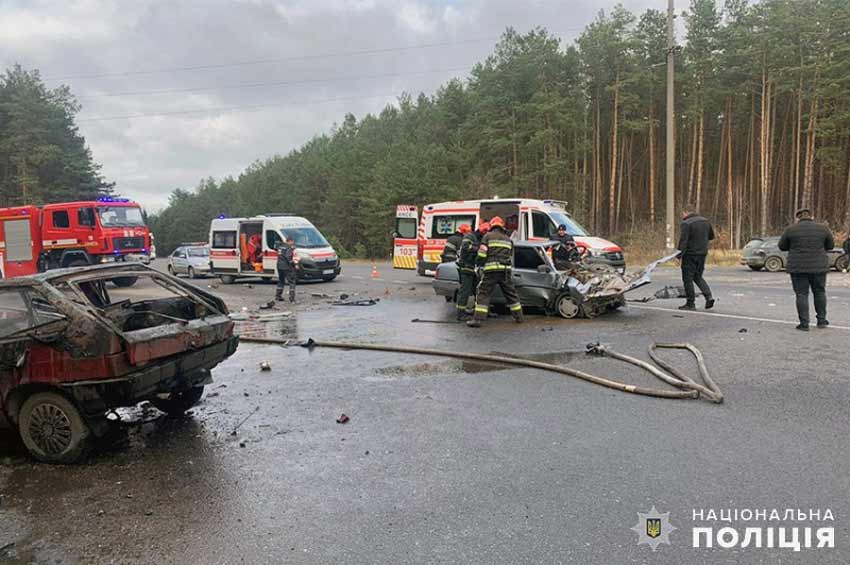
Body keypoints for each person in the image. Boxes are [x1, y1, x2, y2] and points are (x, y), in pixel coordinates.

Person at [778, 208, 835, 331]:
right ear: (812, 216)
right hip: (819, 267)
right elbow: (830, 246)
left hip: (798, 267)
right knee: (819, 292)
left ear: (798, 218)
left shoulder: (791, 229)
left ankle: (804, 324)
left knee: (801, 294)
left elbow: (782, 246)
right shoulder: (823, 229)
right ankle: (821, 321)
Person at [467, 216, 523, 327]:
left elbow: (482, 254)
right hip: (505, 271)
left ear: (492, 226)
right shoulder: (508, 239)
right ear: (502, 226)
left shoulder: (487, 236)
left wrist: (479, 262)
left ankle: (478, 320)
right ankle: (519, 317)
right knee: (511, 294)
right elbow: (510, 256)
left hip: (491, 271)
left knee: (483, 293)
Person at [677, 204, 715, 310]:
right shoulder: (706, 221)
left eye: (683, 213)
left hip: (690, 255)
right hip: (702, 254)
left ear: (686, 212)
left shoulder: (686, 223)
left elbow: (683, 241)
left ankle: (690, 303)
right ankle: (709, 297)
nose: (682, 216)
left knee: (687, 279)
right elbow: (711, 236)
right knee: (698, 277)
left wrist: (679, 255)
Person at [455, 222, 487, 320]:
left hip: (473, 269)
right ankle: (460, 314)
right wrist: (478, 249)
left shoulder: (479, 238)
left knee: (476, 290)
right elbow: (466, 247)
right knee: (465, 291)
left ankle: (476, 310)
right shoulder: (470, 236)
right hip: (466, 268)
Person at [275, 236, 298, 303]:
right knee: (292, 281)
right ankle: (292, 299)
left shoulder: (280, 246)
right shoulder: (289, 248)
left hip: (279, 266)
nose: (293, 243)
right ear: (290, 241)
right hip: (286, 266)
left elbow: (276, 249)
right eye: (292, 242)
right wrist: (294, 265)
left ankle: (278, 296)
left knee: (281, 280)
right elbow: (289, 258)